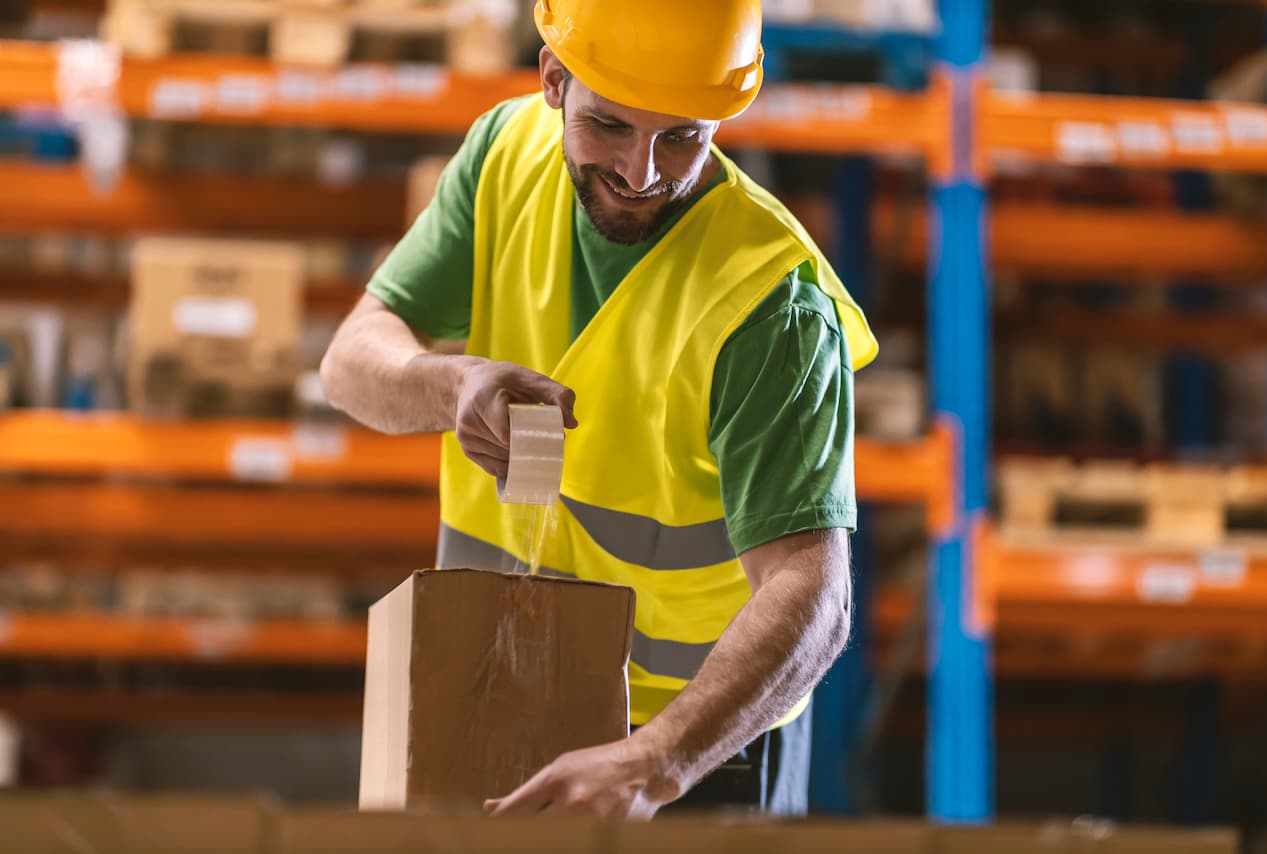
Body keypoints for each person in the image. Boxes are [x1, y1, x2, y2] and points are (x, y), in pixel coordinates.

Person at [320, 0, 877, 819]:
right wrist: (449, 386)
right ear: (553, 79)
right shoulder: (504, 158)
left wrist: (652, 763)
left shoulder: (770, 304)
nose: (642, 172)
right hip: (501, 685)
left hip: (698, 749)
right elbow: (349, 361)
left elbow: (813, 595)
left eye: (683, 136)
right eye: (610, 125)